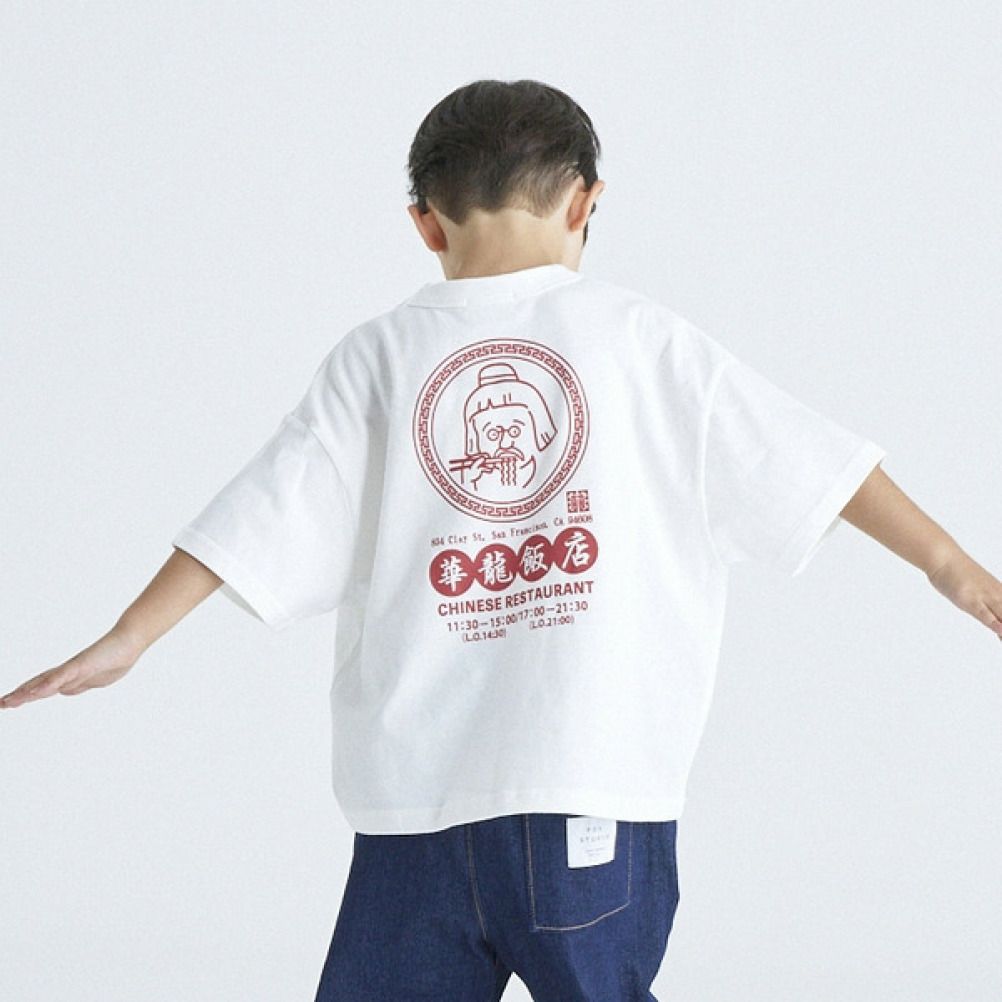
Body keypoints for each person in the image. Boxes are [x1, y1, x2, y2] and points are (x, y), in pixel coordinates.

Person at [3, 78, 1001, 1002]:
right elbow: (812, 462)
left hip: (416, 809)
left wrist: (130, 636)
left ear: (425, 223)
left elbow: (260, 514)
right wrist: (950, 566)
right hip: (590, 785)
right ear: (584, 204)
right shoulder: (639, 337)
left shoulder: (379, 355)